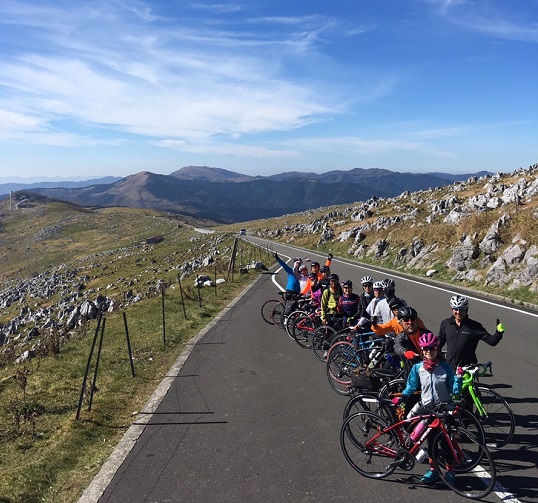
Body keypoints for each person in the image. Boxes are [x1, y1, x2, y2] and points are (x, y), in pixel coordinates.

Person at [392, 332, 462, 485]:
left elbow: (454, 390)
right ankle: (433, 470)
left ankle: (450, 471)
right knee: (430, 443)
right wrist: (402, 397)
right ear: (422, 350)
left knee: (446, 443)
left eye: (432, 348)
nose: (429, 351)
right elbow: (411, 386)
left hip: (443, 411)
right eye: (425, 349)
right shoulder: (418, 368)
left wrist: (458, 380)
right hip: (428, 411)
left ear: (437, 349)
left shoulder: (445, 368)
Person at [438, 295, 505, 369]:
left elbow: (492, 341)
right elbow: (439, 343)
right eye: (456, 309)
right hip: (449, 367)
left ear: (466, 310)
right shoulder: (446, 324)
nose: (458, 312)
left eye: (462, 309)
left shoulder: (475, 326)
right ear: (451, 309)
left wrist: (498, 333)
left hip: (468, 369)